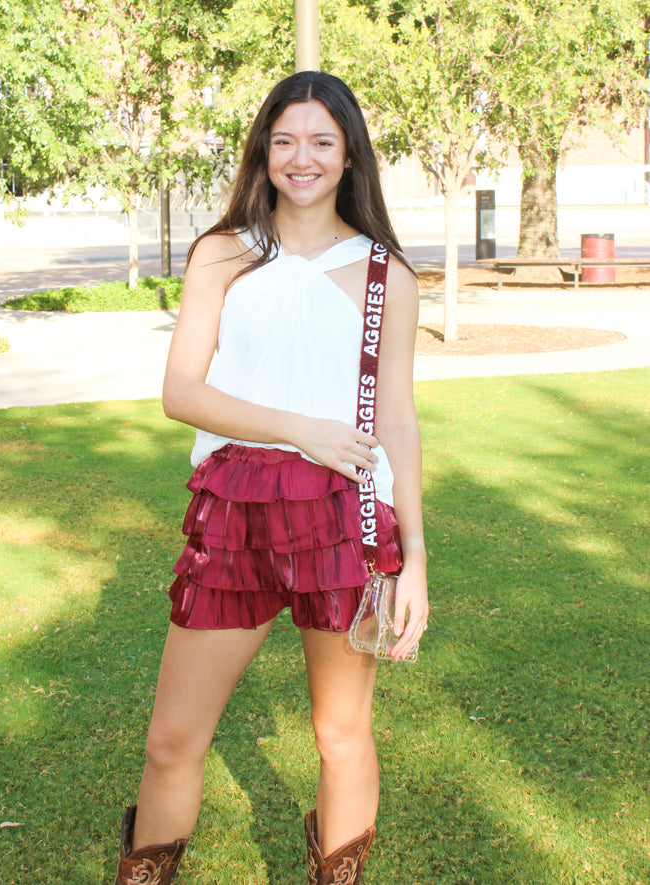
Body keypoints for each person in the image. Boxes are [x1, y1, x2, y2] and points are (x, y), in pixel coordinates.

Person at [113, 71, 429, 885]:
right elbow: (181, 391)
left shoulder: (386, 273)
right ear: (263, 149)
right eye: (285, 139)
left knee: (340, 734)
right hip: (235, 510)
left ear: (350, 155)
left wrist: (415, 562)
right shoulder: (223, 253)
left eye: (323, 140)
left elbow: (396, 419)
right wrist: (304, 429)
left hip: (342, 519)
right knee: (171, 739)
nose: (302, 157)